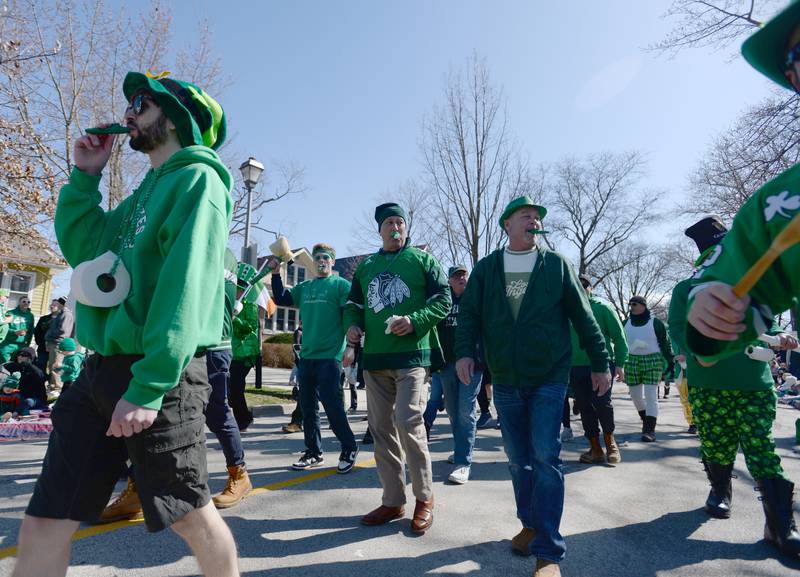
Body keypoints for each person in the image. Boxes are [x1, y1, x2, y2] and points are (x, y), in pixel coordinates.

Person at [10, 71, 239, 577]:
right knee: (44, 521)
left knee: (192, 520)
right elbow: (86, 251)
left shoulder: (198, 180)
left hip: (161, 377)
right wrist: (85, 176)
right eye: (131, 103)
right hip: (97, 374)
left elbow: (186, 290)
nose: (129, 112)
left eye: (143, 103)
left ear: (177, 119)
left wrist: (151, 383)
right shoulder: (142, 194)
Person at [685, 2, 800, 557]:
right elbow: (715, 298)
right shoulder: (775, 211)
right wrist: (706, 306)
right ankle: (721, 491)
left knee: (759, 445)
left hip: (751, 381)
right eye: (796, 59)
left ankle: (779, 522)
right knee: (720, 444)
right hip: (716, 379)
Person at [455, 196, 610, 577]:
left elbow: (583, 315)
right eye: (526, 215)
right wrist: (463, 352)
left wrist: (601, 362)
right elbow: (469, 315)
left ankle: (549, 552)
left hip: (548, 377)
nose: (534, 220)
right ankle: (530, 523)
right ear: (507, 224)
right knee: (517, 460)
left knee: (546, 457)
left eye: (537, 216)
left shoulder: (556, 265)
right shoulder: (488, 268)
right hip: (506, 378)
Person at [344, 202, 450, 534]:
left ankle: (424, 498)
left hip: (413, 358)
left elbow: (444, 299)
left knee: (408, 422)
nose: (395, 228)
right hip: (375, 362)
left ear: (406, 228)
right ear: (380, 229)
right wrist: (351, 327)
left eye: (400, 222)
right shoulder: (366, 266)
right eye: (389, 222)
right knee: (380, 429)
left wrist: (415, 320)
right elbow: (353, 305)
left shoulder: (422, 260)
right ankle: (393, 500)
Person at [269, 243, 359, 474]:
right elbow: (281, 298)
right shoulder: (305, 287)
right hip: (306, 357)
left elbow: (351, 313)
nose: (320, 261)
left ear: (331, 262)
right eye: (317, 257)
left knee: (333, 407)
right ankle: (313, 452)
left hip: (330, 358)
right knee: (308, 409)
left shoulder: (341, 286)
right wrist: (276, 272)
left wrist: (351, 346)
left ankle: (349, 447)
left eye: (325, 258)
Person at [570, 274, 628, 465]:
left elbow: (619, 337)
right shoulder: (566, 309)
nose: (582, 289)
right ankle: (595, 448)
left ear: (591, 288)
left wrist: (620, 363)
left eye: (585, 285)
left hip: (602, 365)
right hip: (575, 366)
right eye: (577, 285)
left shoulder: (602, 307)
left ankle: (611, 444)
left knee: (602, 402)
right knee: (585, 406)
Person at [433, 265, 484, 485]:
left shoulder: (476, 300)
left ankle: (464, 462)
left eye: (464, 275)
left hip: (473, 364)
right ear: (450, 281)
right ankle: (460, 449)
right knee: (453, 411)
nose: (461, 278)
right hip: (447, 365)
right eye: (456, 276)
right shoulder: (443, 302)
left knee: (466, 411)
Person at [622, 296, 674, 442]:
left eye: (635, 304)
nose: (632, 306)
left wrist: (670, 362)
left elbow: (665, 343)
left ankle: (650, 430)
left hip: (653, 360)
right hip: (631, 360)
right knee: (635, 396)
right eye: (630, 304)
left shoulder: (655, 323)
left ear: (643, 306)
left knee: (651, 395)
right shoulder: (625, 323)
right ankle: (646, 420)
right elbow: (619, 342)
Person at [228, 262, 267, 432]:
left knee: (235, 388)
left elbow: (250, 326)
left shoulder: (249, 304)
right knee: (233, 389)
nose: (235, 289)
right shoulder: (229, 301)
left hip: (245, 353)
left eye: (238, 287)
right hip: (231, 351)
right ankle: (245, 416)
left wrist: (234, 317)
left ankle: (242, 421)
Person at [43, 297, 74, 391]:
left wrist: (50, 335)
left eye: (59, 303)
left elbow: (63, 330)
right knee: (52, 365)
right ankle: (53, 386)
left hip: (58, 344)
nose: (57, 304)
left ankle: (56, 388)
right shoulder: (61, 314)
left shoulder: (66, 314)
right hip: (55, 343)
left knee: (56, 367)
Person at [282, 323, 304, 434]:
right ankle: (297, 422)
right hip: (308, 363)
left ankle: (339, 423)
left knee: (332, 398)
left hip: (328, 361)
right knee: (305, 395)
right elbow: (297, 347)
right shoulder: (300, 332)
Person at [0, 296, 35, 363]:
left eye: (28, 302)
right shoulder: (10, 313)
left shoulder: (30, 315)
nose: (26, 303)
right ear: (19, 303)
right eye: (24, 301)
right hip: (8, 344)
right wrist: (14, 332)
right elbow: (4, 328)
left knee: (17, 366)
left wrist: (28, 344)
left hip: (21, 345)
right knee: (3, 364)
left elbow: (31, 331)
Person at [33, 300, 57, 373]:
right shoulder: (44, 318)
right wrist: (39, 342)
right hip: (42, 347)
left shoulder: (62, 320)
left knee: (53, 368)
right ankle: (39, 382)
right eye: (51, 304)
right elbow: (37, 331)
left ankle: (50, 383)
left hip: (55, 348)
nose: (52, 306)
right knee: (41, 365)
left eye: (55, 305)